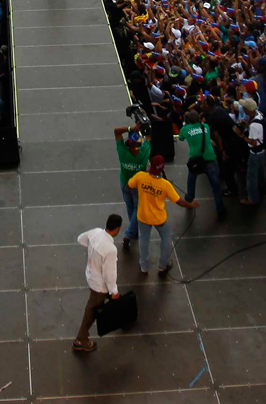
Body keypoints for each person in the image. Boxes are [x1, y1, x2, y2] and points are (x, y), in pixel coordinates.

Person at [127, 154, 198, 276]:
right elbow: (178, 201)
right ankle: (162, 265)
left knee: (144, 240)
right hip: (159, 218)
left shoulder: (140, 177)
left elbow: (129, 185)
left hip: (143, 216)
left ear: (150, 165)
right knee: (166, 239)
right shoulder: (165, 185)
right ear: (162, 168)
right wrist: (191, 205)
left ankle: (144, 267)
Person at [74, 214, 122, 353]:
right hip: (99, 285)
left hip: (91, 275)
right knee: (91, 311)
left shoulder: (96, 233)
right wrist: (114, 292)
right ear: (117, 229)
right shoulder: (111, 249)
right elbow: (109, 274)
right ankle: (81, 340)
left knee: (94, 306)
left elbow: (81, 239)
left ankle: (81, 339)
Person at [180, 108, 226, 219]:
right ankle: (220, 209)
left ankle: (189, 199)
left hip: (196, 160)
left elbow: (181, 138)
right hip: (210, 159)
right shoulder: (205, 127)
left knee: (191, 179)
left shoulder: (185, 129)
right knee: (215, 186)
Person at [113, 123, 150, 248]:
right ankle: (129, 233)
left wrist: (131, 129)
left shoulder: (122, 152)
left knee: (130, 207)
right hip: (138, 186)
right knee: (138, 209)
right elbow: (150, 136)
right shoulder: (144, 152)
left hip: (124, 183)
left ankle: (133, 231)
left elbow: (116, 131)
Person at [238, 98, 266, 205]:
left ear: (248, 110)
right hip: (262, 151)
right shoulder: (259, 114)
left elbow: (253, 142)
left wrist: (242, 137)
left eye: (244, 107)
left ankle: (252, 198)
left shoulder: (255, 125)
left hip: (255, 153)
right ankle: (263, 186)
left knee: (251, 176)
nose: (243, 109)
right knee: (260, 170)